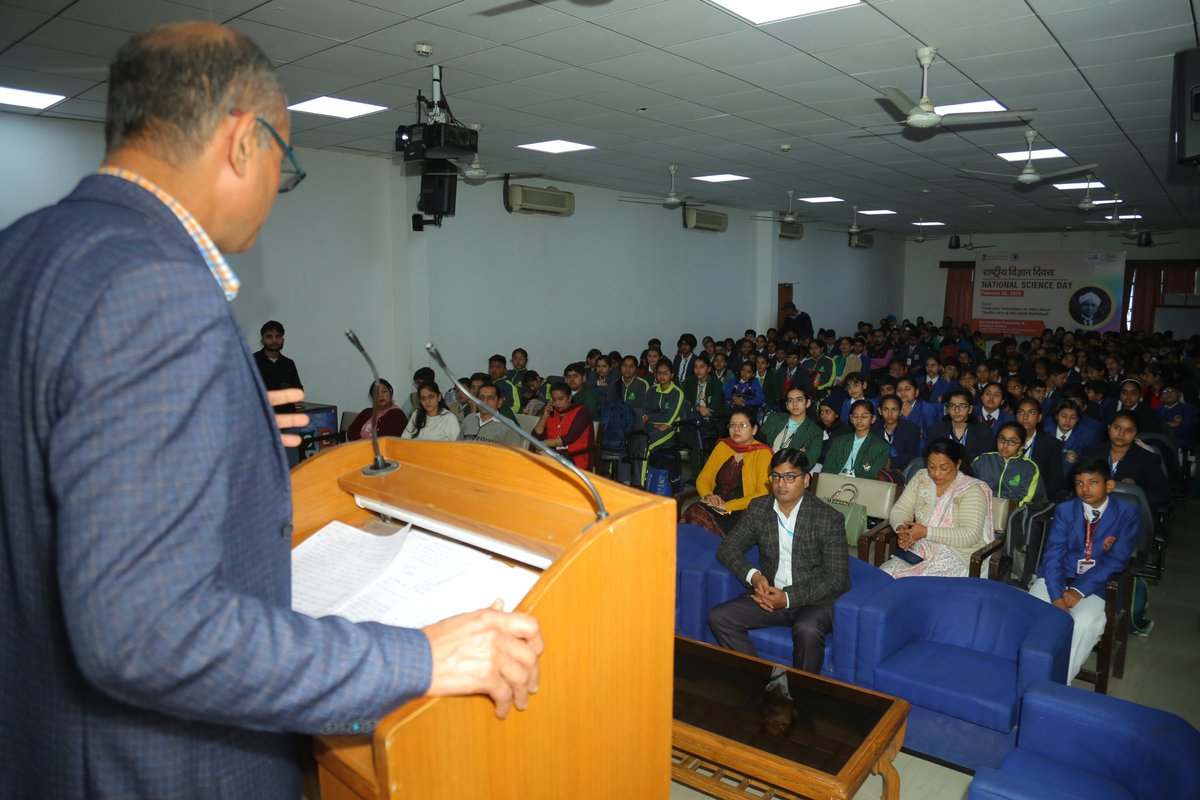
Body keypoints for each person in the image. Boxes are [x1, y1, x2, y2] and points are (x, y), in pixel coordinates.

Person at [0, 23, 543, 799]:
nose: (275, 193)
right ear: (241, 141)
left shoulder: (25, 251)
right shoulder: (155, 290)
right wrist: (421, 657)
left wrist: (219, 416)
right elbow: (149, 632)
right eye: (283, 162)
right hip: (160, 767)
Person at [708, 449, 849, 674]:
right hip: (771, 594)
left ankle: (801, 694)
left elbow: (836, 579)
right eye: (776, 476)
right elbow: (728, 549)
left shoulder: (828, 518)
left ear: (806, 480)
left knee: (807, 629)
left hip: (813, 600)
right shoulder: (759, 508)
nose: (781, 484)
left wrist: (788, 598)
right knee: (720, 617)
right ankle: (761, 682)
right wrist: (753, 576)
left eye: (790, 477)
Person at [1030, 458, 1139, 679]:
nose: (1085, 489)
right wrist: (1057, 596)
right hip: (1059, 577)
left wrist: (1079, 590)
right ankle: (1029, 673)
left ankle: (1058, 682)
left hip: (1099, 584)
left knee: (1083, 622)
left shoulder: (1127, 511)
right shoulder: (1065, 511)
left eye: (1092, 482)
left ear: (1108, 485)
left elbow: (1117, 560)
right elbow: (1053, 556)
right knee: (1032, 611)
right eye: (1079, 483)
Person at [882, 438, 994, 578]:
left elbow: (970, 534)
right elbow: (901, 510)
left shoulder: (971, 490)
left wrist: (926, 532)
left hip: (957, 555)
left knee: (919, 588)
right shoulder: (921, 477)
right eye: (931, 466)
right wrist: (902, 529)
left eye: (944, 468)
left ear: (958, 464)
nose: (936, 473)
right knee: (886, 576)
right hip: (921, 550)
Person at [680, 409, 773, 536]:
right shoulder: (723, 446)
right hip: (715, 505)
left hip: (744, 510)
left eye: (742, 425)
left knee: (699, 520)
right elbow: (703, 478)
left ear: (754, 430)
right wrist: (709, 496)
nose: (736, 429)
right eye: (732, 424)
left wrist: (729, 506)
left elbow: (763, 494)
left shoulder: (763, 454)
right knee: (694, 512)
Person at [1082, 411, 1171, 512]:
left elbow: (1162, 494)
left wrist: (1135, 491)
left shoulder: (1147, 459)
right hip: (1091, 508)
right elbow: (1077, 482)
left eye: (1128, 430)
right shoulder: (1091, 451)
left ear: (1136, 435)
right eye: (1117, 427)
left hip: (1128, 512)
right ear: (1109, 428)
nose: (1121, 433)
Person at [970, 422, 1044, 506]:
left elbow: (1024, 499)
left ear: (1022, 446)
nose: (1005, 445)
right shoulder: (983, 460)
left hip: (1012, 514)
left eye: (1012, 441)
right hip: (980, 508)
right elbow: (968, 486)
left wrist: (1000, 508)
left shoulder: (1029, 468)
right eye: (1002, 439)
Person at [821, 399, 890, 478]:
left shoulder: (881, 447)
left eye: (864, 416)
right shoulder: (838, 441)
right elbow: (827, 471)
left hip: (862, 486)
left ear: (873, 419)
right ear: (851, 419)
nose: (859, 420)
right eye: (855, 416)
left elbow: (873, 476)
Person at [926, 389, 995, 467]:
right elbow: (929, 459)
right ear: (947, 409)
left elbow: (986, 463)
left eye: (962, 406)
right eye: (952, 406)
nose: (956, 410)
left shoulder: (984, 432)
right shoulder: (935, 430)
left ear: (970, 409)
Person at [1015, 396, 1066, 502]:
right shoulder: (1007, 439)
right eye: (1021, 412)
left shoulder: (1050, 444)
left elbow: (1054, 482)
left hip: (1037, 498)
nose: (1025, 417)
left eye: (1031, 413)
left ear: (1039, 417)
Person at [534, 381, 593, 470]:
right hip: (553, 454)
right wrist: (545, 415)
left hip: (575, 458)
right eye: (554, 400)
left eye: (560, 399)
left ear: (569, 398)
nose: (557, 403)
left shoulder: (582, 412)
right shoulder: (552, 412)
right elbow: (535, 436)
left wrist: (545, 443)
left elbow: (570, 438)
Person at [759, 385, 823, 458]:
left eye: (799, 400)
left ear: (808, 403)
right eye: (790, 400)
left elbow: (809, 462)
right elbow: (758, 443)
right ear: (787, 405)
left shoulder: (815, 432)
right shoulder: (774, 418)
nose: (794, 404)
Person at [254, 319, 303, 409]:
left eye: (278, 336)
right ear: (262, 341)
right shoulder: (251, 362)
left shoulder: (288, 363)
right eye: (269, 337)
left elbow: (299, 392)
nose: (274, 341)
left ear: (283, 340)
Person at [459, 381, 524, 447]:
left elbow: (512, 456)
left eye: (490, 398)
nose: (485, 402)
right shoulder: (469, 419)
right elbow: (457, 447)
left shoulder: (509, 427)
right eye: (481, 397)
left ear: (499, 402)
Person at [873, 394, 922, 472]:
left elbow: (912, 455)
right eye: (886, 409)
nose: (889, 414)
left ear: (900, 411)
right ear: (880, 411)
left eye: (894, 409)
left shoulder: (911, 429)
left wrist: (892, 461)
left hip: (903, 471)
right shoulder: (873, 428)